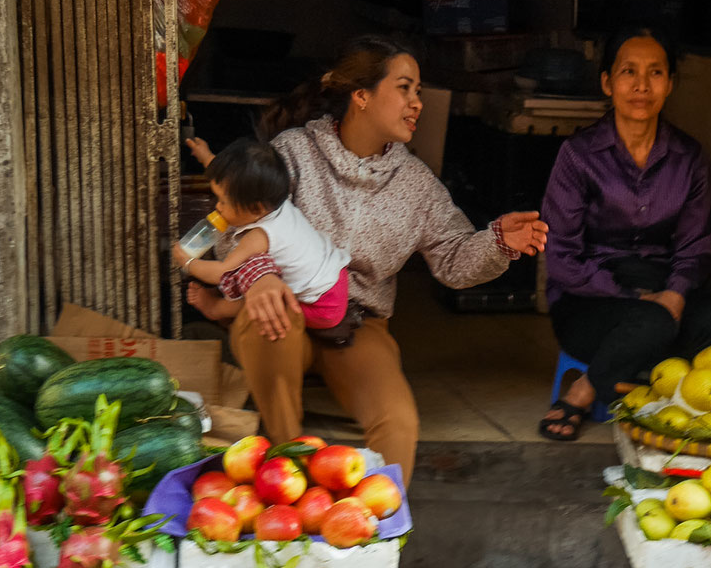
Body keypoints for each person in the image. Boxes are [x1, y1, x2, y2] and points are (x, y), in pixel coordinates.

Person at [184, 36, 549, 475]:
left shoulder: (416, 183)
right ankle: (287, 473)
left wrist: (498, 242)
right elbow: (235, 225)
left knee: (398, 421)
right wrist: (259, 275)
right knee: (271, 318)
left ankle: (375, 535)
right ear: (361, 96)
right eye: (404, 88)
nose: (417, 102)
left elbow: (452, 260)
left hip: (357, 326)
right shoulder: (294, 153)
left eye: (418, 91)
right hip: (283, 308)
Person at [536, 28, 711, 440]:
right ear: (608, 82)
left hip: (663, 290)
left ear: (669, 83)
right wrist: (639, 298)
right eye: (629, 72)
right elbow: (562, 258)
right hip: (589, 302)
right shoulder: (578, 156)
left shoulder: (687, 157)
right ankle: (585, 389)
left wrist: (676, 292)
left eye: (655, 72)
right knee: (653, 323)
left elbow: (696, 245)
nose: (642, 86)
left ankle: (653, 391)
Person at [173, 139, 358, 347]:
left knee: (257, 299)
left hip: (321, 307)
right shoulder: (273, 199)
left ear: (255, 209)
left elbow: (223, 272)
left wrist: (187, 262)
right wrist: (207, 157)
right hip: (335, 280)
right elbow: (235, 181)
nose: (218, 207)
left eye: (223, 201)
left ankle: (218, 308)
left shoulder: (259, 236)